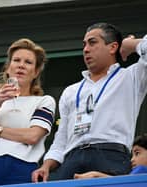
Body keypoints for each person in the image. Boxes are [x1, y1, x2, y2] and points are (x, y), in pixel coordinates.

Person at [32, 22, 147, 182]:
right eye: (84, 44)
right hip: (72, 159)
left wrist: (131, 44)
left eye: (93, 43)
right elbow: (62, 139)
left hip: (110, 156)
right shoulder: (71, 91)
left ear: (113, 47)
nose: (86, 49)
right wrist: (46, 165)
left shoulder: (130, 77)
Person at [0, 38, 56, 186]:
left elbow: (32, 136)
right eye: (16, 60)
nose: (21, 65)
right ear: (8, 68)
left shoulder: (44, 101)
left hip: (24, 167)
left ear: (35, 72)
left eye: (28, 62)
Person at [74, 134, 147, 179]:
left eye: (137, 153)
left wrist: (95, 175)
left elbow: (124, 184)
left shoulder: (141, 170)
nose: (132, 160)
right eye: (132, 155)